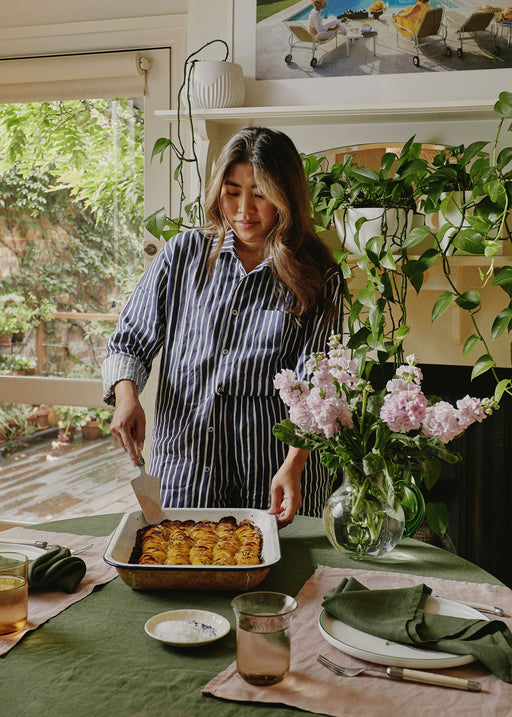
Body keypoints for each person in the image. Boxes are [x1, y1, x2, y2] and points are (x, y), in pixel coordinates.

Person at [102, 127, 344, 527]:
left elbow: (318, 386)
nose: (244, 209)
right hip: (186, 473)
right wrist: (127, 398)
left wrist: (295, 463)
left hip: (276, 476)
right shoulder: (183, 255)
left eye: (261, 194)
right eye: (232, 192)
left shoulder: (318, 275)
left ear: (286, 196)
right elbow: (129, 341)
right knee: (184, 570)